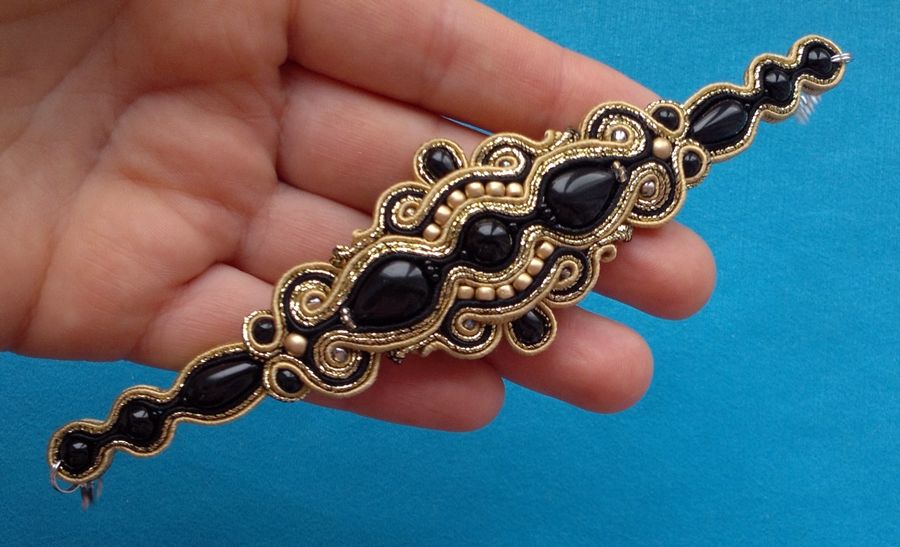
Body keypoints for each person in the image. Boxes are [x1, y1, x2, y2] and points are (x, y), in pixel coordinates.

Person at [0, 0, 714, 431]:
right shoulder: (517, 233)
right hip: (402, 291)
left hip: (407, 290)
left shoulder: (514, 223)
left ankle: (135, 426)